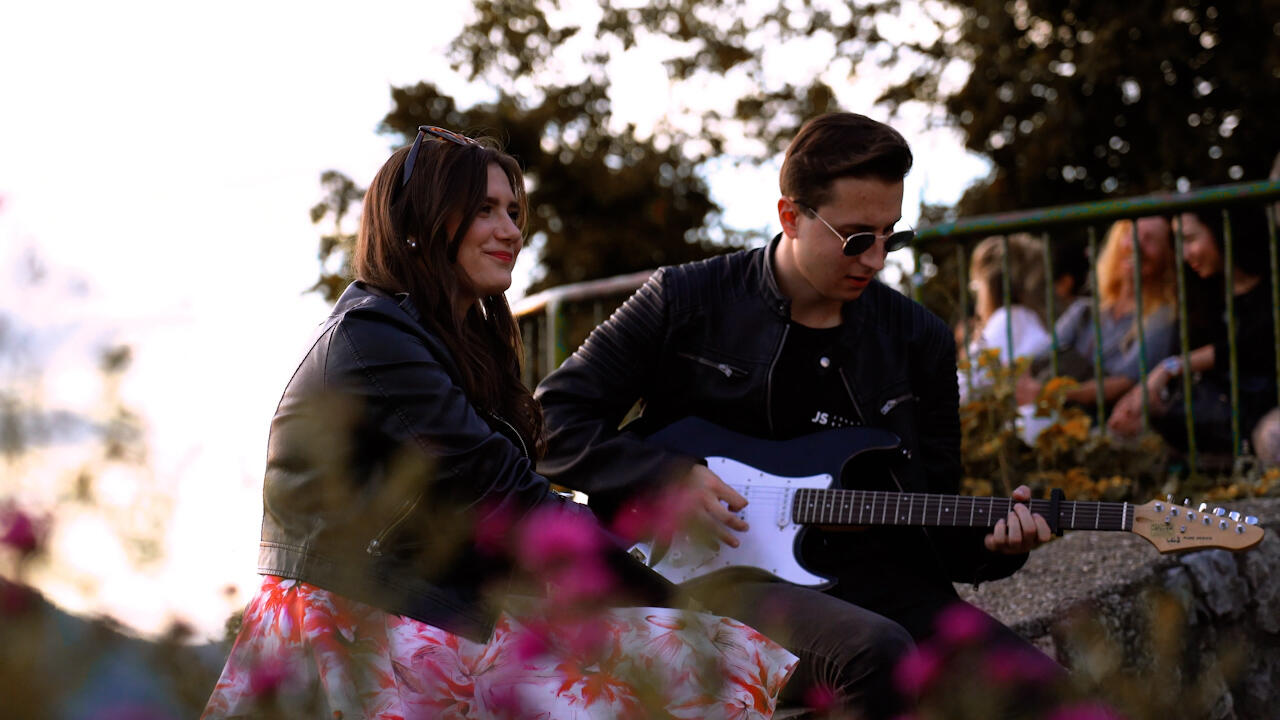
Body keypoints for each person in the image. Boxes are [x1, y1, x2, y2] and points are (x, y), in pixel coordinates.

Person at [202, 127, 796, 719]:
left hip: (436, 609)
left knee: (718, 659)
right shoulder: (372, 340)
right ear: (421, 222)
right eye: (484, 210)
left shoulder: (456, 344)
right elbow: (506, 497)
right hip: (356, 620)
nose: (511, 230)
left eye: (513, 211)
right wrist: (666, 589)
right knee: (698, 662)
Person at [535, 112, 1053, 719]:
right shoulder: (685, 299)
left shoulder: (919, 340)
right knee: (874, 653)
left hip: (874, 579)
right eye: (858, 238)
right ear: (791, 217)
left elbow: (934, 513)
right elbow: (552, 420)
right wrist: (663, 477)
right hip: (713, 578)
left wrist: (999, 546)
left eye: (893, 235)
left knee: (1050, 697)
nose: (878, 258)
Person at [1108, 207, 1276, 454]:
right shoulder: (1201, 293)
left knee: (1273, 437)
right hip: (1224, 416)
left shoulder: (1269, 285)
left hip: (1265, 409)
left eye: (1190, 239)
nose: (1185, 254)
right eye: (1179, 244)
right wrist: (1146, 403)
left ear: (1221, 230)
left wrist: (1169, 368)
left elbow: (1251, 344)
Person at [1016, 217, 1178, 412]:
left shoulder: (1162, 317)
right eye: (1130, 234)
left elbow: (1126, 383)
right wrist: (1024, 385)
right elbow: (1039, 356)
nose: (1135, 245)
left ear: (1166, 256)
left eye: (1149, 239)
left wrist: (1052, 393)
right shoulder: (1084, 311)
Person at [958, 233, 1052, 401]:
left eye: (976, 287)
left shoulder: (1006, 321)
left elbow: (962, 390)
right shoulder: (1026, 319)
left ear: (988, 286)